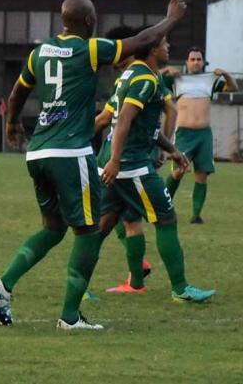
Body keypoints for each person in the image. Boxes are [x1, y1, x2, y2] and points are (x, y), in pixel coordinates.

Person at [0, 0, 187, 330]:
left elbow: (18, 91)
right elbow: (142, 41)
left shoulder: (40, 52)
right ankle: (69, 316)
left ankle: (3, 285)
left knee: (52, 229)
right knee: (88, 231)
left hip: (37, 152)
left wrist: (11, 123)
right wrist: (171, 19)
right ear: (91, 22)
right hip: (71, 153)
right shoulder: (90, 49)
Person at [97, 35, 215, 301]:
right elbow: (124, 119)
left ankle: (84, 288)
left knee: (107, 225)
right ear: (152, 50)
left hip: (119, 162)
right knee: (165, 219)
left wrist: (171, 149)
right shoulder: (144, 79)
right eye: (164, 44)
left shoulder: (131, 77)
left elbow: (140, 124)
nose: (169, 48)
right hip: (131, 164)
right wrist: (115, 159)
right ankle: (180, 288)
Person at [94, 25, 177, 291]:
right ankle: (171, 284)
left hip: (120, 155)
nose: (113, 56)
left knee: (119, 219)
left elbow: (108, 119)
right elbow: (116, 120)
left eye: (117, 49)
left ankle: (135, 277)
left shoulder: (135, 76)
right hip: (127, 158)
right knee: (137, 219)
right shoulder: (139, 78)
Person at [162, 47, 239, 224]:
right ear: (187, 62)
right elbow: (153, 78)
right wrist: (166, 69)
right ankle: (164, 208)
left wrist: (225, 74)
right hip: (184, 134)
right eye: (192, 59)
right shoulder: (176, 79)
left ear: (203, 62)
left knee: (202, 174)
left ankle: (196, 215)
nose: (196, 62)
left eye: (198, 59)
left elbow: (233, 87)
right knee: (179, 172)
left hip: (204, 134)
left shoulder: (210, 80)